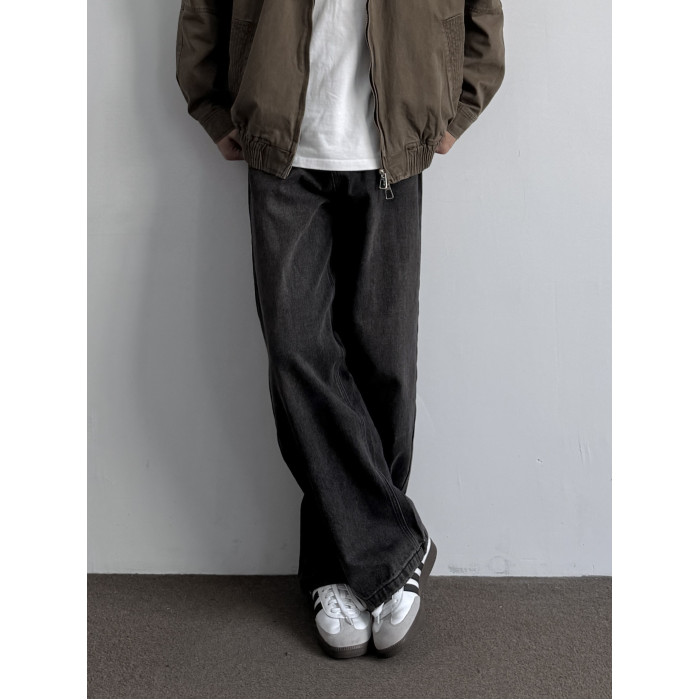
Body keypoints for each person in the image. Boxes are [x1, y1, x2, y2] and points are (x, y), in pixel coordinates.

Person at [176, 0, 505, 659]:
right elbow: (202, 8)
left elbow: (483, 11)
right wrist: (210, 105)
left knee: (385, 366)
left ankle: (343, 572)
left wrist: (460, 105)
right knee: (296, 353)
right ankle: (391, 554)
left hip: (390, 148)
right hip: (283, 147)